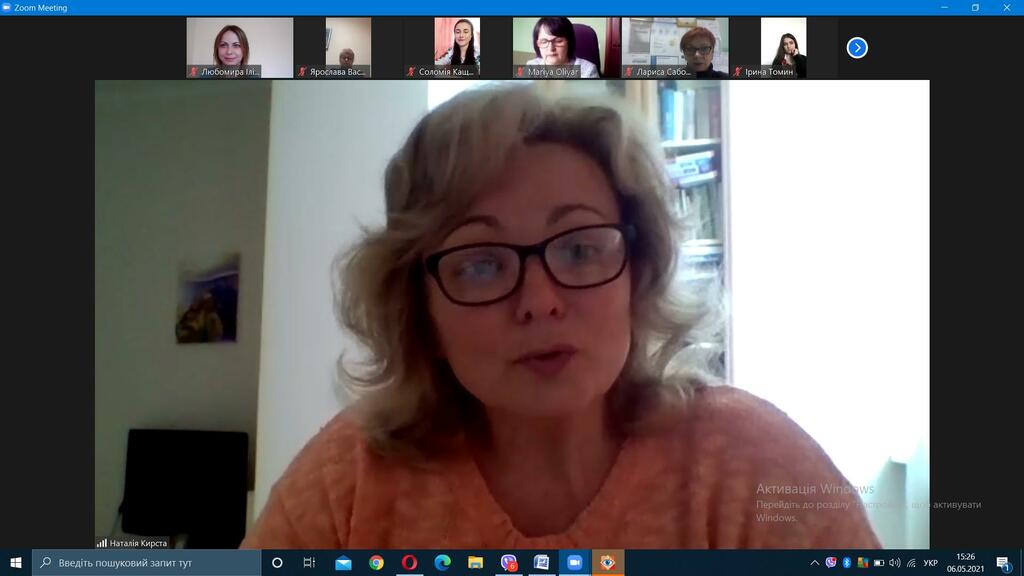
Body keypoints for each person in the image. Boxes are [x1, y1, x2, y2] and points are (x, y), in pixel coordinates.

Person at [240, 84, 881, 549]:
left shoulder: (755, 466)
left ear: (636, 273)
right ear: (420, 309)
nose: (541, 301)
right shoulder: (347, 484)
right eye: (481, 264)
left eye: (579, 249)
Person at [525, 17, 599, 78]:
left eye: (558, 41)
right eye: (544, 42)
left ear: (569, 42)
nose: (551, 48)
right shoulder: (531, 66)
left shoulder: (588, 71)